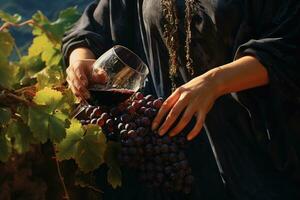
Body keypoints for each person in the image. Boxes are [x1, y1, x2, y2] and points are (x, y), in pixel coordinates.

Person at [62, 0, 300, 199]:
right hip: (177, 161)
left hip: (257, 152)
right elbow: (92, 26)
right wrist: (79, 60)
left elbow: (291, 41)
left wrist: (215, 82)